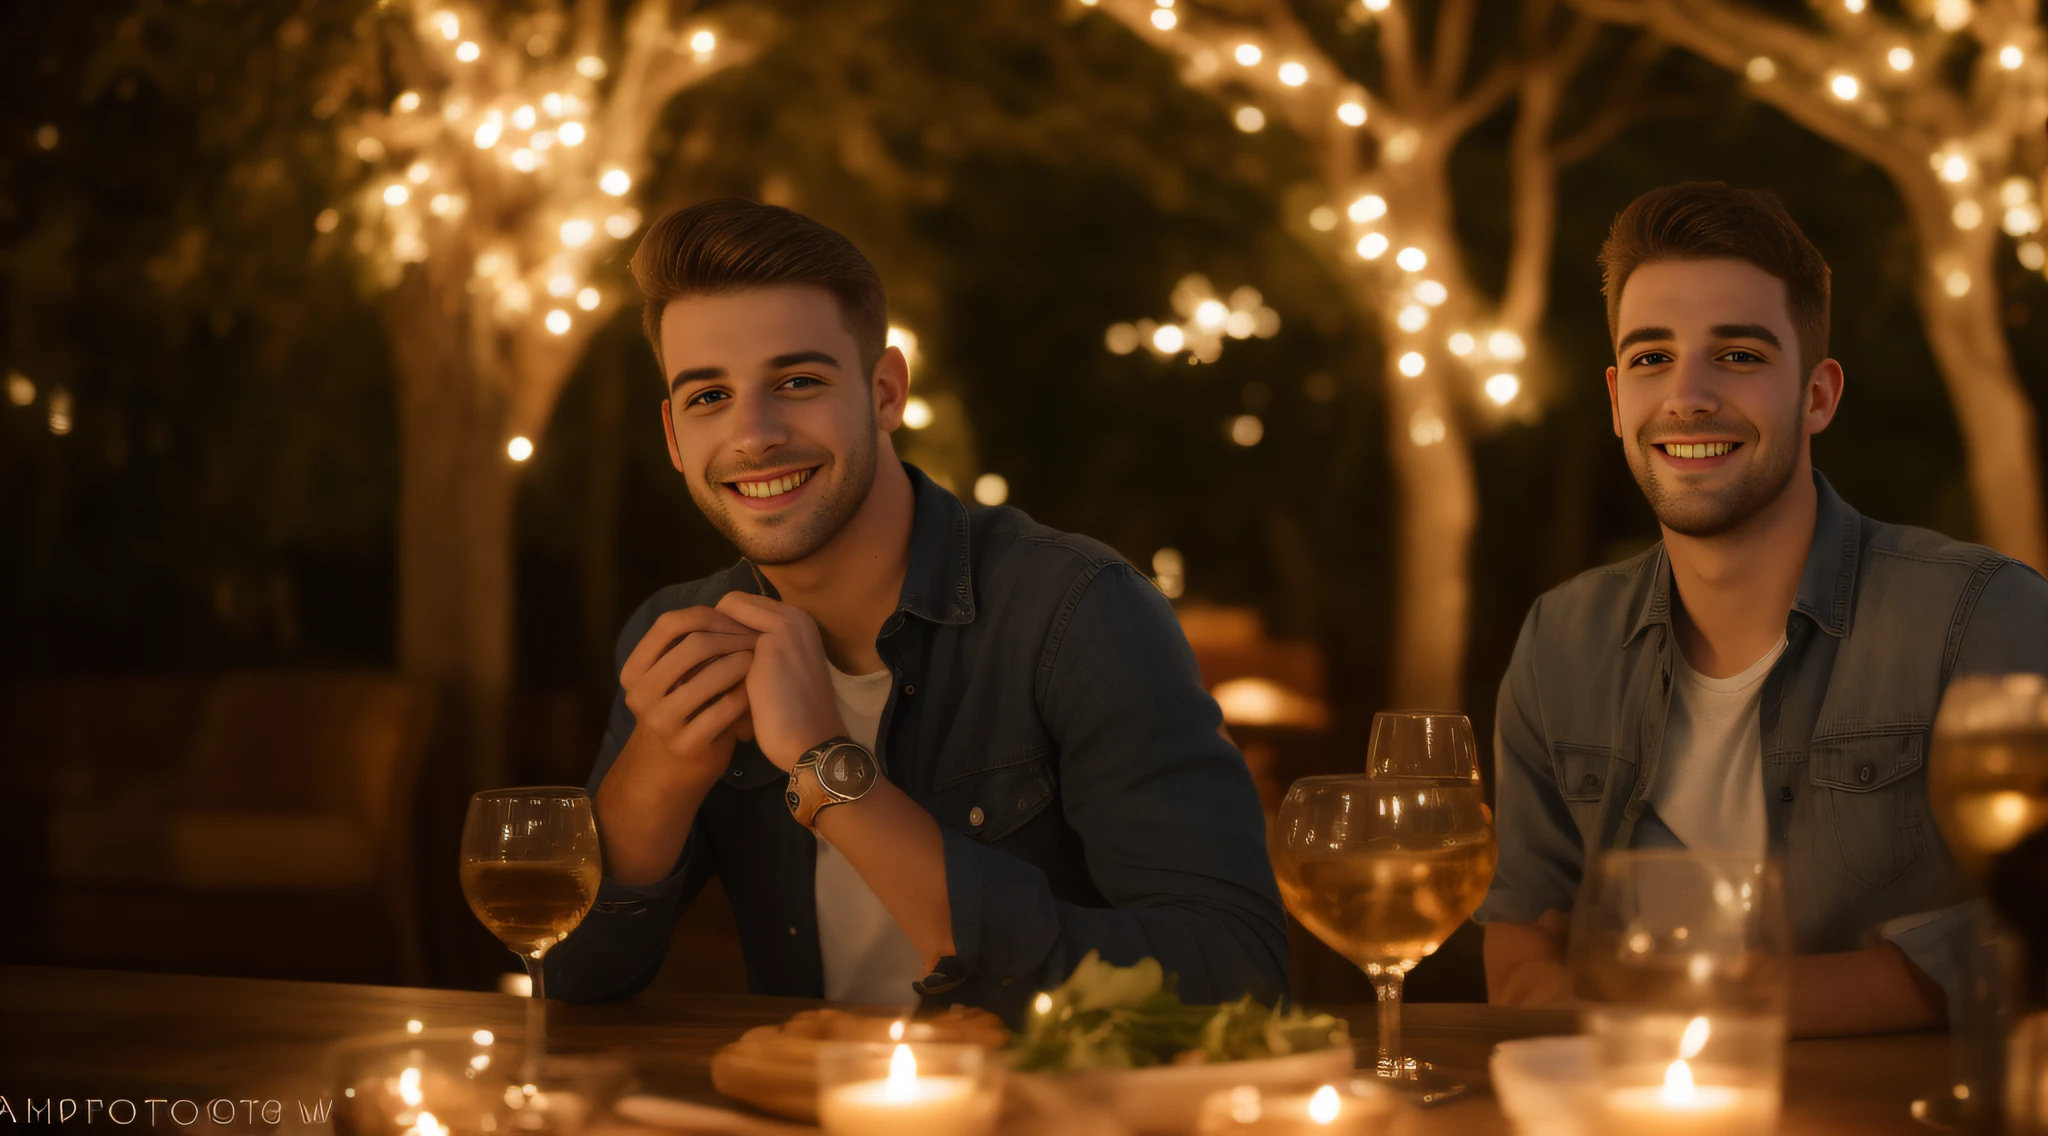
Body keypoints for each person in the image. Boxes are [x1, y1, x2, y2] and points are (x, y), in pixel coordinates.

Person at [543, 197, 1289, 1022]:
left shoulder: (1076, 613)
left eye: (797, 382)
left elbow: (1239, 979)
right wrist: (660, 768)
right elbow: (573, 978)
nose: (752, 435)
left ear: (886, 391)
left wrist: (828, 767)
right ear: (676, 438)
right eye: (709, 397)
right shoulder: (674, 634)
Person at [1477, 181, 2048, 1035]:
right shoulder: (1561, 638)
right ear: (1615, 400)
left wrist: (1703, 1008)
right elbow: (1523, 944)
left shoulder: (1981, 615)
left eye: (1738, 355)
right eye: (1650, 357)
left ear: (1818, 396)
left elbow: (2030, 932)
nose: (1688, 396)